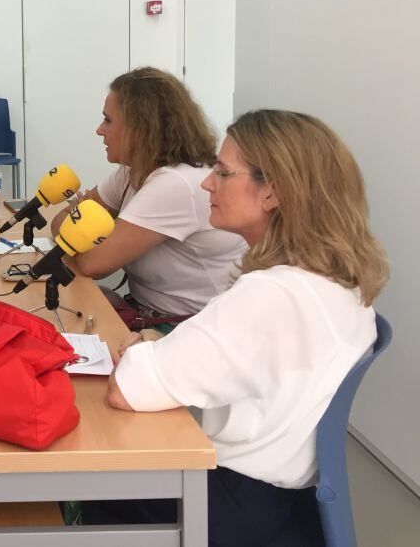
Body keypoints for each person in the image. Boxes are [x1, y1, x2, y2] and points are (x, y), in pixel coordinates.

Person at [93, 110, 389, 545]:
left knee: (90, 470)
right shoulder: (335, 281)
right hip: (285, 504)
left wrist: (141, 348)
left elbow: (127, 389)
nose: (207, 183)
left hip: (232, 508)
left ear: (272, 192)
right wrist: (160, 346)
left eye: (222, 172)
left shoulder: (272, 296)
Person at [52, 67, 246, 325]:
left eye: (108, 120)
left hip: (191, 326)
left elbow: (93, 264)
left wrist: (73, 231)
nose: (99, 130)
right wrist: (72, 232)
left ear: (140, 129)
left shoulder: (176, 183)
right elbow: (65, 223)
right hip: (148, 312)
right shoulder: (133, 171)